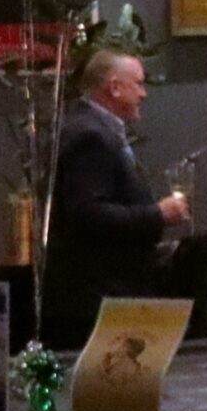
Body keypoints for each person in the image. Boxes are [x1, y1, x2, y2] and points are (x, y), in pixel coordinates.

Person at [45, 49, 186, 347]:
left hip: (99, 293)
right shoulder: (90, 136)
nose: (144, 94)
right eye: (139, 84)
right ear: (115, 87)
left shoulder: (89, 128)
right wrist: (158, 214)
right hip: (97, 296)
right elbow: (88, 214)